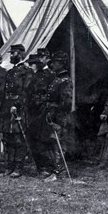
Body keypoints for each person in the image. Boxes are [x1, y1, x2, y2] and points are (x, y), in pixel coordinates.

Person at [0, 44, 31, 178]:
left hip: (18, 108)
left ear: (21, 54)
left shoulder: (26, 72)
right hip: (7, 106)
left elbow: (26, 91)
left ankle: (18, 168)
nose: (11, 56)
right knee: (7, 138)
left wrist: (17, 105)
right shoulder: (10, 71)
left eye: (13, 53)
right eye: (11, 54)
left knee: (18, 139)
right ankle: (8, 167)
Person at [44, 51, 74, 180]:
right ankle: (54, 169)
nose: (53, 64)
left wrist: (56, 117)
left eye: (55, 62)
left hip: (60, 117)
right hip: (52, 114)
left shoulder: (66, 80)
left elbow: (66, 103)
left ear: (62, 64)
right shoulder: (56, 78)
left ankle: (58, 172)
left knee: (59, 143)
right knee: (52, 142)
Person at [25, 49, 56, 171]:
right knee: (33, 138)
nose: (39, 59)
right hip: (33, 110)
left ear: (48, 59)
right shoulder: (36, 74)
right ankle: (40, 166)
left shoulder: (51, 74)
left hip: (43, 110)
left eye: (42, 57)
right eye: (39, 57)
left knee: (44, 139)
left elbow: (51, 93)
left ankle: (49, 167)